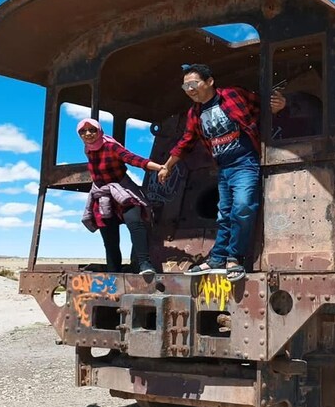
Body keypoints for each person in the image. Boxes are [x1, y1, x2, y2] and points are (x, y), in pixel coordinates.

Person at [159, 64, 285, 282]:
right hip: (224, 167)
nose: (189, 89)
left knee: (243, 208)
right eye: (185, 86)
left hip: (245, 161)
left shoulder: (232, 95)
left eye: (193, 84)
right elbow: (186, 141)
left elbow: (263, 104)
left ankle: (235, 258)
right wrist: (168, 165)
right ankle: (217, 259)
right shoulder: (195, 113)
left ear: (209, 82)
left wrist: (279, 106)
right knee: (224, 214)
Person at [78, 118, 164, 276]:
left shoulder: (110, 146)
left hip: (122, 190)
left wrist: (158, 167)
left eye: (92, 130)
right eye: (83, 131)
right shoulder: (88, 149)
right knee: (109, 237)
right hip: (103, 196)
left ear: (99, 131)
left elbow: (133, 159)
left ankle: (145, 264)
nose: (88, 134)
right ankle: (113, 272)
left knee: (135, 222)